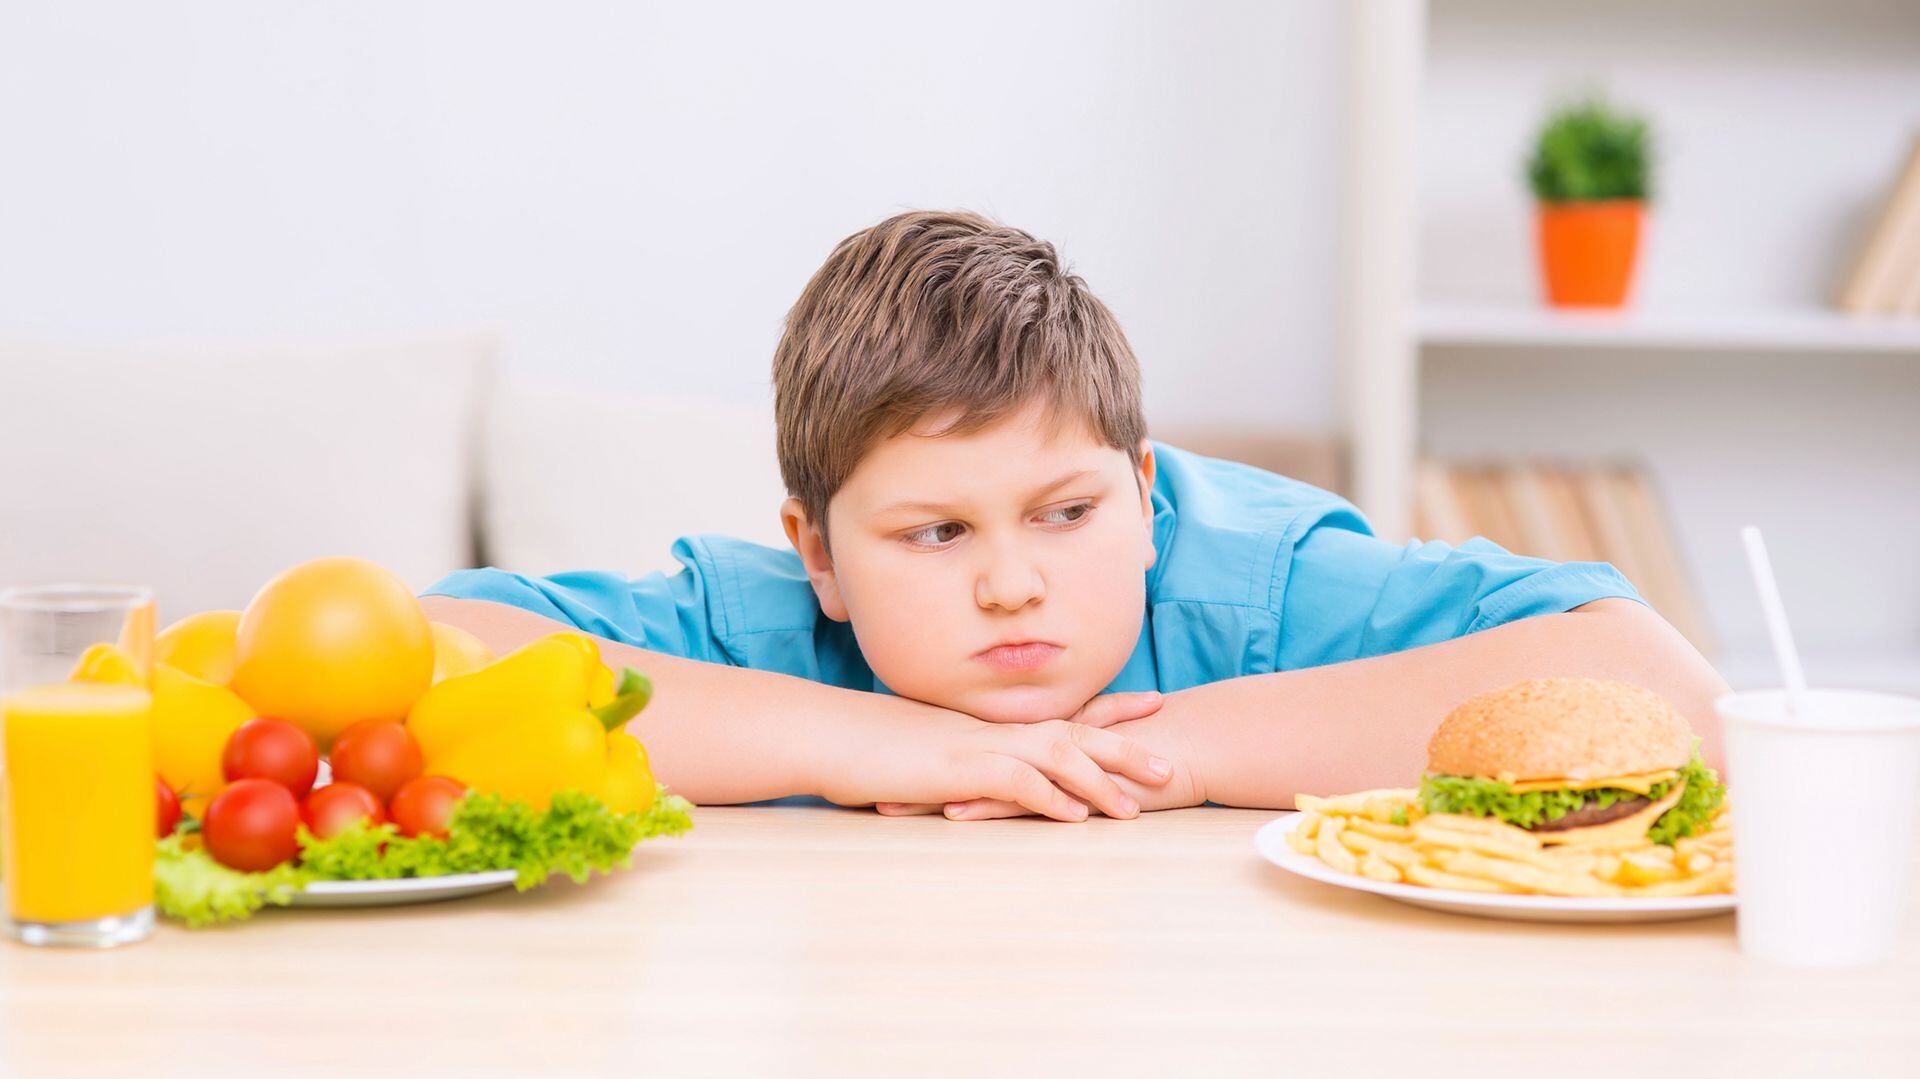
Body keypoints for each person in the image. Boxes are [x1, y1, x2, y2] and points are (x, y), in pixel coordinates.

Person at [422, 210, 1728, 822]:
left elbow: (1673, 700)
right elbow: (423, 654)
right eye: (937, 535)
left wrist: (1187, 752)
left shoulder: (1246, 586)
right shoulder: (771, 623)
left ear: (1145, 500)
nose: (1012, 585)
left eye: (1066, 513)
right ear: (817, 555)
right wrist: (864, 742)